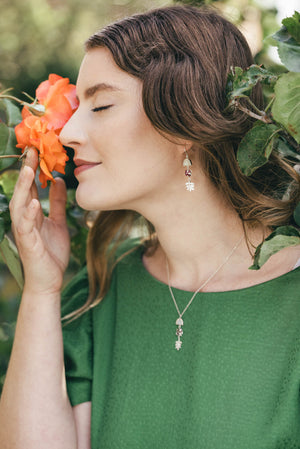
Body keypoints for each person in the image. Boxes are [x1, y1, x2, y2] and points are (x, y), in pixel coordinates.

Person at [0, 4, 300, 449]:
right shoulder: (104, 289)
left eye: (100, 105)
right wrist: (42, 289)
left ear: (185, 122)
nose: (67, 132)